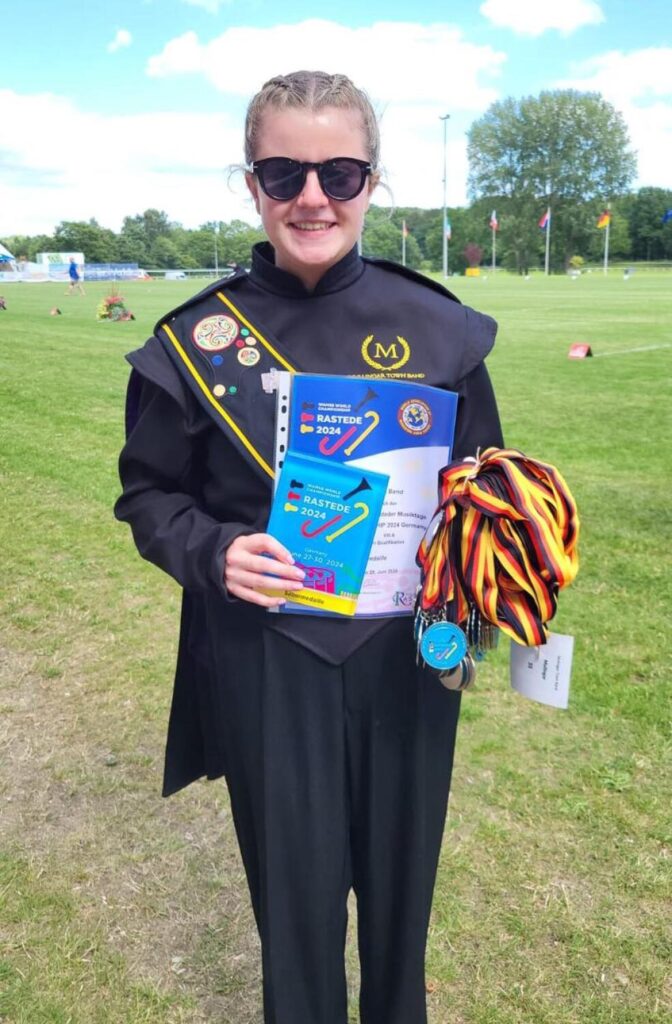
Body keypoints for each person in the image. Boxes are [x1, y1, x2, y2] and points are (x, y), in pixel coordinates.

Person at [115, 70, 503, 1024]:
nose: (313, 197)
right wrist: (215, 553)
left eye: (340, 171)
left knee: (401, 907)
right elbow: (147, 496)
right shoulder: (195, 339)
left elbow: (484, 483)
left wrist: (503, 536)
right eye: (284, 172)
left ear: (374, 180)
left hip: (407, 658)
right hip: (266, 658)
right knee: (294, 916)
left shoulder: (441, 326)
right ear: (251, 183)